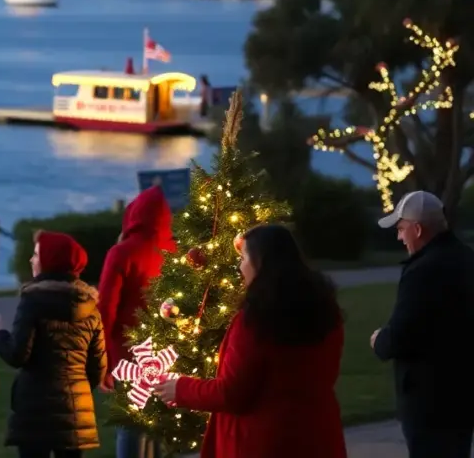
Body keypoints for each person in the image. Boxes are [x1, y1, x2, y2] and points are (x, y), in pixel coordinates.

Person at [153, 224, 346, 458]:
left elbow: (232, 392)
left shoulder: (255, 320)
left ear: (261, 263)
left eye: (244, 258)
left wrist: (180, 389)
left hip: (264, 440)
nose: (239, 266)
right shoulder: (325, 309)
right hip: (317, 434)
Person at [0, 230, 107, 458]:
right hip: (75, 409)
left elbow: (17, 354)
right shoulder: (90, 307)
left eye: (36, 254)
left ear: (49, 262)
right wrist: (75, 391)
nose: (31, 260)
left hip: (34, 408)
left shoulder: (33, 300)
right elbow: (97, 367)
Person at [371, 191, 474, 458]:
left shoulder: (423, 271)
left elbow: (403, 333)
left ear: (418, 229)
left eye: (402, 229)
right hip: (461, 393)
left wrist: (380, 341)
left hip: (429, 400)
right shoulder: (466, 259)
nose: (399, 237)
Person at [97, 186, 176, 458]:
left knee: (130, 425)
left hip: (127, 355)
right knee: (155, 427)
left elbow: (105, 309)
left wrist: (102, 358)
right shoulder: (174, 252)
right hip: (167, 354)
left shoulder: (121, 253)